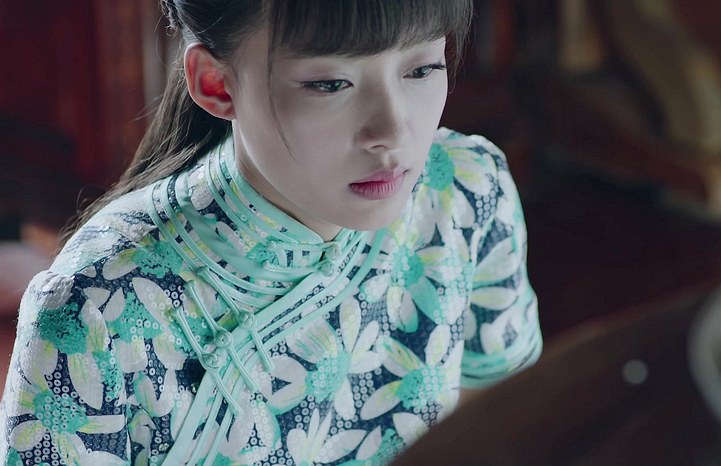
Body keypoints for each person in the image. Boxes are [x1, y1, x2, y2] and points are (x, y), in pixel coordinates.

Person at [0, 1, 542, 464]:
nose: (393, 131)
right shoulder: (95, 308)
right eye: (330, 83)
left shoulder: (465, 187)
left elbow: (505, 415)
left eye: (422, 69)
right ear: (216, 84)